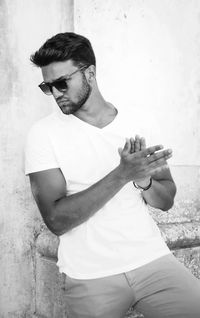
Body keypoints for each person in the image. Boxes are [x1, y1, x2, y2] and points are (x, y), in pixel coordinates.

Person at [25, 32, 200, 318]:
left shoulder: (137, 122)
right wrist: (122, 174)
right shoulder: (42, 135)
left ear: (90, 73)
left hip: (152, 260)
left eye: (61, 83)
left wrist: (143, 181)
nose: (55, 93)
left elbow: (166, 200)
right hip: (91, 275)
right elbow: (56, 220)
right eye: (48, 86)